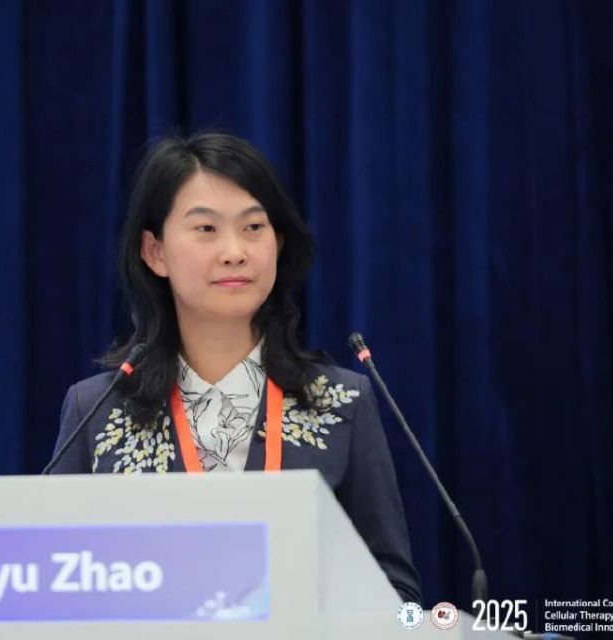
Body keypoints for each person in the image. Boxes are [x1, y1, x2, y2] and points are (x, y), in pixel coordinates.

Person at [51, 132, 421, 603]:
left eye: (253, 227)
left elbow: (397, 593)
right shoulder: (96, 409)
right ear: (155, 252)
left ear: (277, 244)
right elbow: (54, 582)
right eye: (206, 229)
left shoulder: (341, 402)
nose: (235, 251)